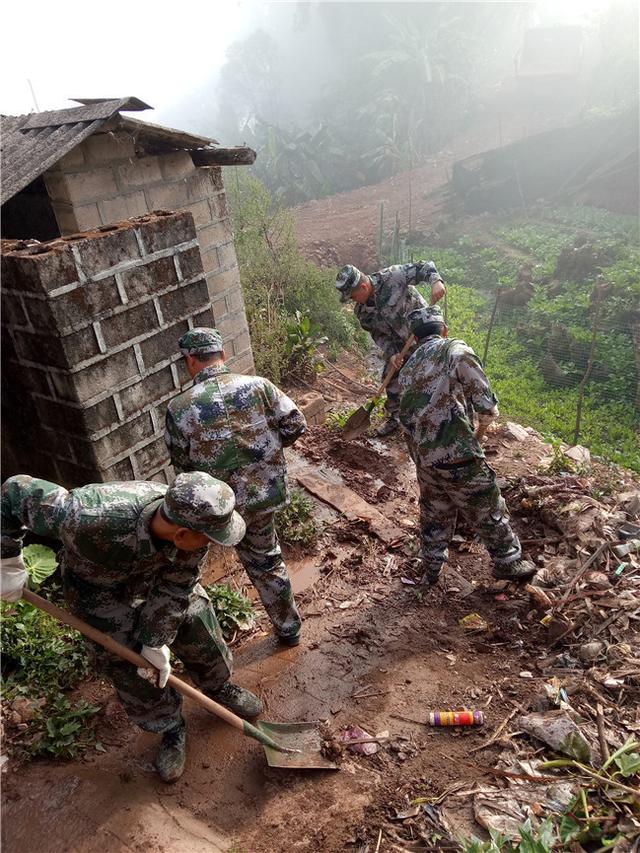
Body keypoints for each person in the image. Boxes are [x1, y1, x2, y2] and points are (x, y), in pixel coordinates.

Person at [0, 471, 263, 783]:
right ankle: (170, 728)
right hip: (96, 590)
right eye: (208, 538)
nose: (211, 544)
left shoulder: (195, 533)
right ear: (181, 534)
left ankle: (218, 686)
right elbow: (14, 492)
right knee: (126, 660)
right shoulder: (87, 514)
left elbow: (176, 589)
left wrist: (155, 641)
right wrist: (6, 559)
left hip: (156, 577)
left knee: (195, 618)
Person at [165, 328, 306, 647]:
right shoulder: (260, 387)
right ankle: (288, 628)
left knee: (187, 568)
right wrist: (267, 454)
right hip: (262, 496)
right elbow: (296, 424)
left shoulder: (181, 407)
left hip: (215, 506)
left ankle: (193, 642)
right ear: (222, 355)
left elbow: (182, 465)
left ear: (189, 361)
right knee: (266, 559)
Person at [397, 305, 536, 586]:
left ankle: (432, 566)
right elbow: (485, 403)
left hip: (424, 456)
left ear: (415, 336)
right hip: (455, 453)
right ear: (443, 330)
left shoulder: (407, 368)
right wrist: (485, 418)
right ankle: (508, 560)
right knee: (486, 502)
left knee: (435, 510)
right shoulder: (454, 350)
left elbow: (405, 415)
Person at [335, 260, 446, 436]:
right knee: (391, 375)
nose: (353, 301)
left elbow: (423, 267)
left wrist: (436, 281)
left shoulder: (393, 277)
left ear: (363, 287)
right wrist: (392, 353)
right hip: (399, 344)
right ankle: (395, 419)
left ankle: (437, 420)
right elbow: (378, 335)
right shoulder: (362, 312)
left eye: (353, 296)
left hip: (425, 332)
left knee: (432, 376)